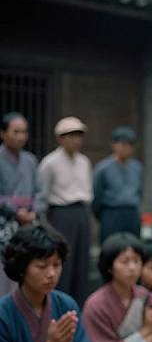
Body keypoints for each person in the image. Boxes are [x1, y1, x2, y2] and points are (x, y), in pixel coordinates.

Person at [0, 224, 139, 342]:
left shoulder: (65, 303)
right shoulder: (3, 313)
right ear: (22, 268)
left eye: (56, 265)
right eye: (42, 266)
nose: (51, 274)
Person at [38, 117, 92, 306]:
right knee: (62, 261)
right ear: (60, 138)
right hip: (60, 213)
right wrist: (44, 224)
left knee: (82, 261)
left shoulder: (84, 161)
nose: (76, 140)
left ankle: (78, 305)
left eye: (79, 135)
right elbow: (42, 194)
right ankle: (58, 305)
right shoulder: (49, 163)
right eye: (71, 135)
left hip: (81, 212)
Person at [0, 112, 46, 296]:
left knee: (28, 268)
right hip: (4, 224)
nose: (21, 136)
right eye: (16, 131)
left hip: (28, 223)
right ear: (3, 133)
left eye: (24, 132)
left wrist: (34, 211)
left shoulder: (31, 160)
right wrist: (15, 210)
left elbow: (41, 192)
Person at [92, 127, 143, 243]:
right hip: (111, 213)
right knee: (110, 247)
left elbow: (140, 192)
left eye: (129, 145)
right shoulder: (103, 168)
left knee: (133, 246)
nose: (125, 148)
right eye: (122, 144)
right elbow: (97, 195)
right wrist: (103, 215)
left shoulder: (137, 168)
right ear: (114, 145)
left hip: (131, 213)